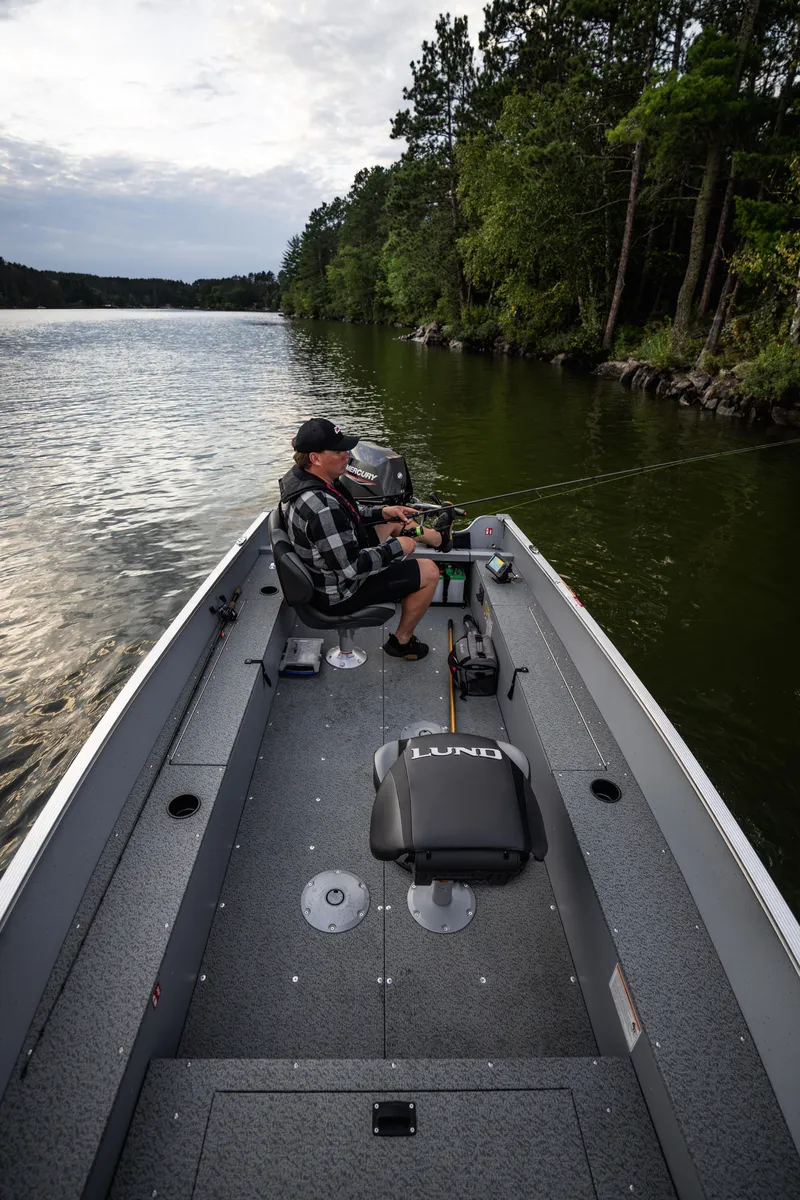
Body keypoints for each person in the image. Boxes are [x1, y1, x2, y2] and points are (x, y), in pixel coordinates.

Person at [278, 419, 452, 661]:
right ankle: (402, 643)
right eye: (338, 451)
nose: (347, 455)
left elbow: (346, 509)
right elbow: (351, 569)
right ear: (316, 458)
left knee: (393, 519)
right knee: (430, 571)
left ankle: (438, 539)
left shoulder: (306, 479)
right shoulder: (321, 508)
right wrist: (396, 548)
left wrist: (383, 512)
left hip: (328, 570)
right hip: (338, 594)